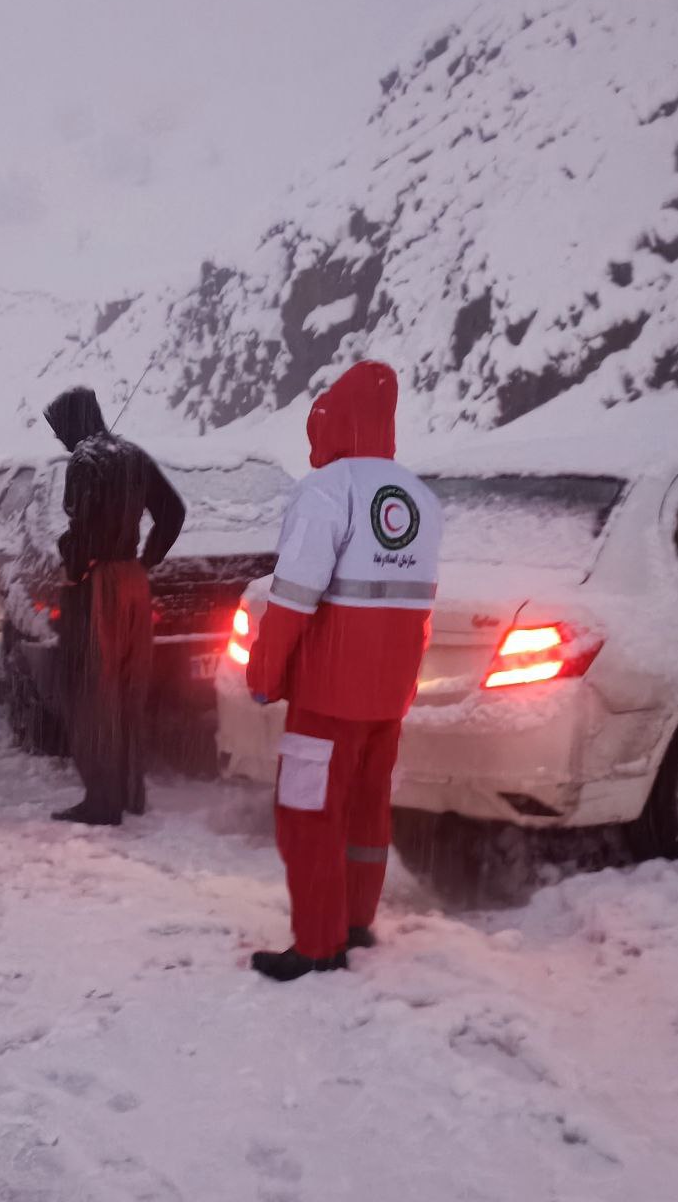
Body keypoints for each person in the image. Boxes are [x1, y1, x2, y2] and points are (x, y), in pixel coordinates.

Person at [242, 362, 441, 981]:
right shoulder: (419, 497)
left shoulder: (327, 490)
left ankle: (318, 943)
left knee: (309, 813)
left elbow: (293, 598)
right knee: (365, 810)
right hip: (389, 694)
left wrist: (265, 674)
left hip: (328, 694)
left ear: (330, 423)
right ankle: (355, 920)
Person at [43, 385, 185, 826]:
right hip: (133, 584)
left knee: (92, 692)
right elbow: (174, 512)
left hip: (97, 585)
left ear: (72, 423)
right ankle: (129, 792)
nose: (61, 439)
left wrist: (74, 562)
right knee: (128, 689)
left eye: (60, 430)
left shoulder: (84, 460)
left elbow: (82, 526)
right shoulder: (134, 455)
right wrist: (146, 560)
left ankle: (101, 801)